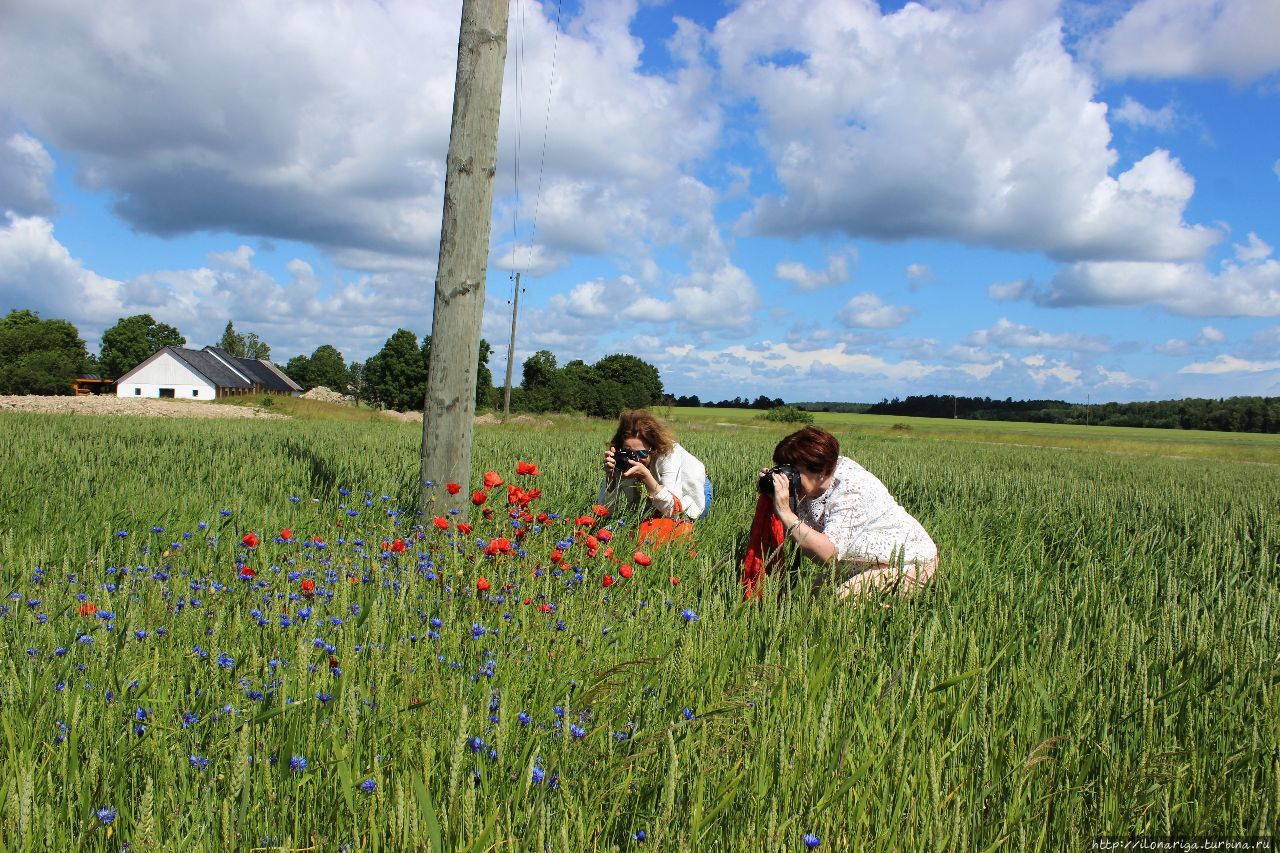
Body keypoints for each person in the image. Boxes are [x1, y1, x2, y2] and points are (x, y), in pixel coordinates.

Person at [743, 426, 937, 600]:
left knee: (839, 603)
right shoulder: (807, 485)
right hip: (860, 562)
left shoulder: (852, 488)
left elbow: (828, 555)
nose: (788, 478)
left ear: (821, 471)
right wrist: (771, 490)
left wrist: (785, 512)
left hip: (909, 562)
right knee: (812, 601)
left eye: (794, 473)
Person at [599, 409, 709, 543]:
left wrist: (646, 477)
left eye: (642, 454)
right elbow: (604, 510)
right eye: (628, 452)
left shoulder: (669, 454)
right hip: (660, 494)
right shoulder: (621, 459)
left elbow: (674, 511)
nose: (635, 460)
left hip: (691, 489)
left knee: (673, 528)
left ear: (655, 449)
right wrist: (611, 478)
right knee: (638, 526)